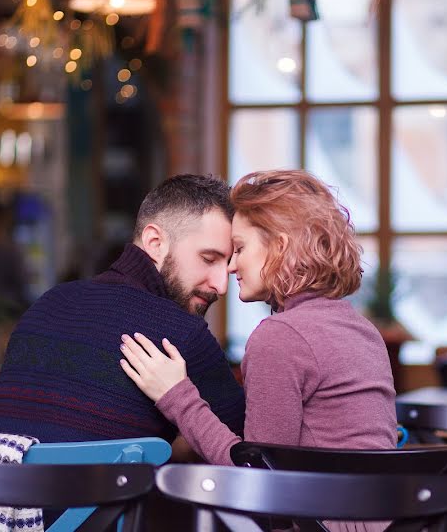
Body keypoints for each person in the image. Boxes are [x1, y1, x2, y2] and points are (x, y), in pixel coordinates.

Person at [119, 169, 397, 468]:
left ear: (280, 247)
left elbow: (257, 474)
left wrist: (175, 395)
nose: (231, 267)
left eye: (239, 249)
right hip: (380, 512)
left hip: (317, 514)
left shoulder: (282, 336)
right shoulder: (362, 330)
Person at [0, 174, 246, 442]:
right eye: (209, 259)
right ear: (155, 243)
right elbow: (249, 458)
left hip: (4, 490)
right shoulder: (183, 335)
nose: (221, 285)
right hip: (106, 491)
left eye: (229, 265)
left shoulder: (47, 305)